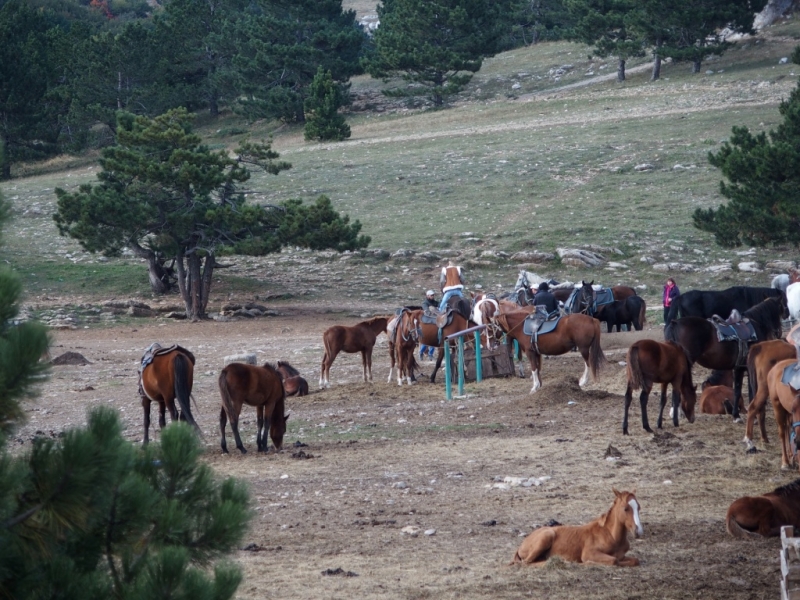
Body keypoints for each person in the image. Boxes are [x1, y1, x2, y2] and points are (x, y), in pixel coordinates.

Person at [420, 290, 437, 360]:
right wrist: (432, 311)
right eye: (431, 295)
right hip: (428, 322)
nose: (432, 296)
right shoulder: (425, 303)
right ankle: (421, 352)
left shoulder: (435, 302)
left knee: (434, 340)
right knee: (426, 341)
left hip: (434, 321)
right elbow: (426, 311)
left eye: (433, 295)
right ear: (427, 296)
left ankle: (430, 354)